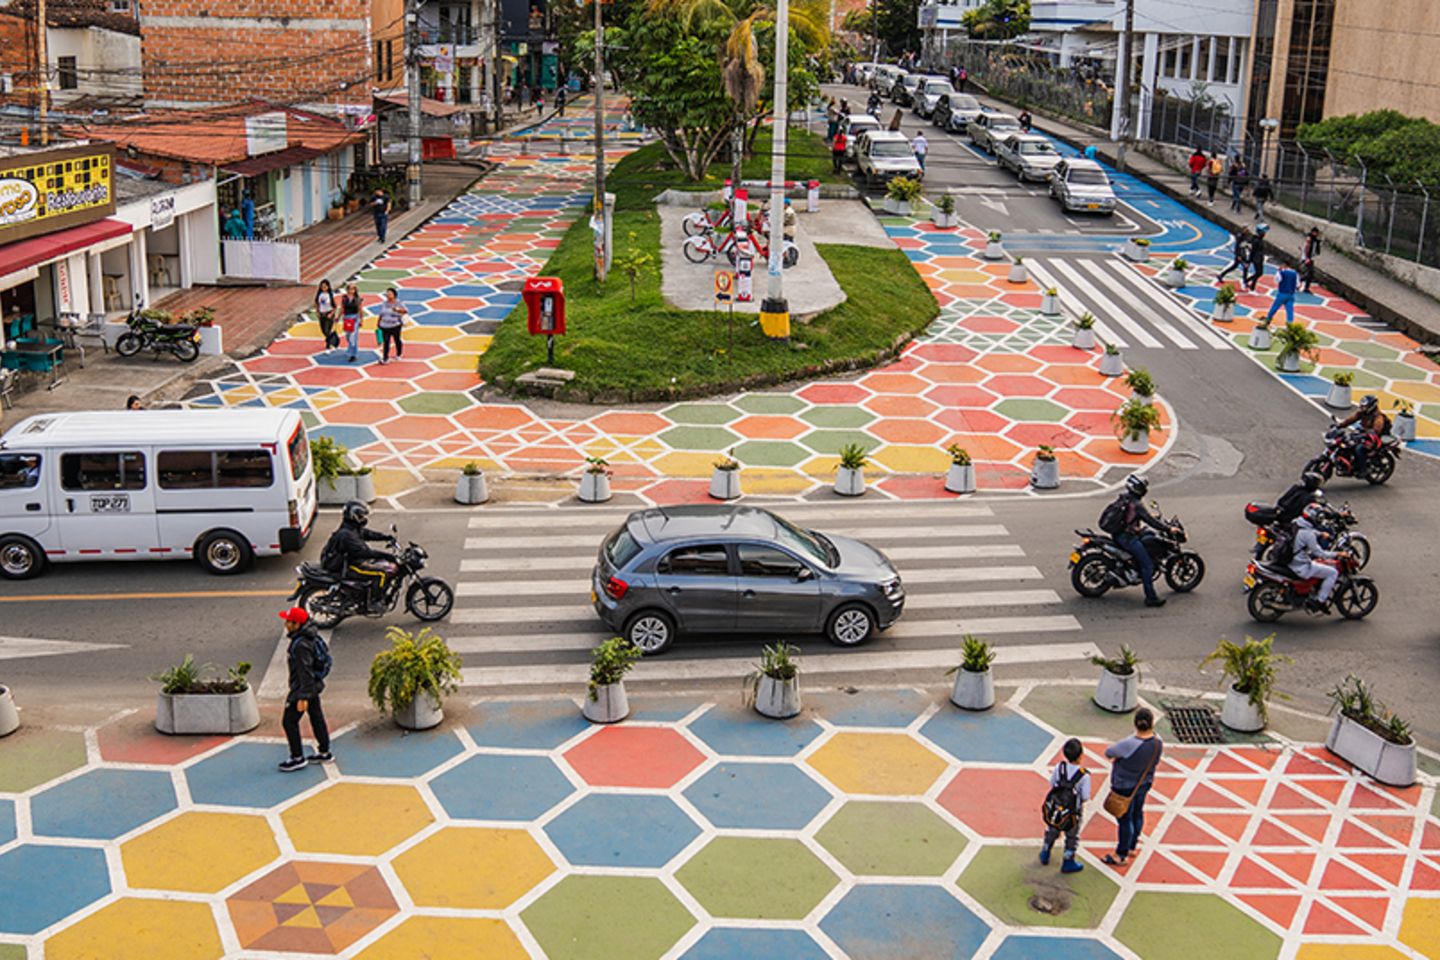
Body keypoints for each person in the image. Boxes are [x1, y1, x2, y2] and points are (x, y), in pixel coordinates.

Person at [1103, 708, 1163, 866]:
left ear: (1136, 724)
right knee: (1137, 813)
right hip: (1143, 783)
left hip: (1124, 786)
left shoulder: (1130, 744)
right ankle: (1132, 846)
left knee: (1125, 819)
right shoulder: (1158, 742)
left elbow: (1109, 752)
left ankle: (1120, 854)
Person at [1104, 473, 1174, 608]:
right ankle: (1151, 598)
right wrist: (1168, 529)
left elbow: (1139, 517)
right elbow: (1150, 521)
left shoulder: (1125, 498)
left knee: (1147, 534)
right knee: (1147, 565)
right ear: (1140, 489)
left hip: (1118, 534)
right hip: (1127, 538)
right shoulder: (1136, 504)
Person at [277, 606, 331, 772]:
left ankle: (297, 757)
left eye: (288, 621)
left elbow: (304, 672)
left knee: (289, 721)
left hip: (303, 688)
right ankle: (324, 751)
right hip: (314, 686)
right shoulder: (310, 635)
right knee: (316, 716)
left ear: (296, 624)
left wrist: (302, 697)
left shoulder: (300, 646)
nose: (286, 624)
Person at [321, 500, 394, 612]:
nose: (364, 519)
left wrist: (385, 537)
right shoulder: (347, 535)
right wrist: (387, 556)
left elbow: (367, 533)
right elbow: (365, 553)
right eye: (361, 516)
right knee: (381, 574)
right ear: (353, 516)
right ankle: (374, 602)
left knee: (380, 566)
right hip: (349, 565)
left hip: (353, 560)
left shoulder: (352, 528)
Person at [1040, 737, 1091, 874]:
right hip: (1073, 813)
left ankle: (1045, 851)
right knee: (1071, 837)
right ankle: (1068, 861)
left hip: (1056, 809)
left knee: (1052, 829)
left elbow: (1052, 784)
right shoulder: (1084, 776)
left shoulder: (1060, 767)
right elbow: (1085, 796)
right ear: (1081, 755)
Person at [1290, 503, 1341, 613]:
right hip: (1301, 567)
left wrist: (1320, 533)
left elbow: (1305, 532)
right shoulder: (1308, 535)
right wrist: (1338, 554)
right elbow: (1320, 554)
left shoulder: (1295, 523)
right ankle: (1320, 601)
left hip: (1291, 561)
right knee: (1332, 573)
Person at [1336, 394, 1390, 477]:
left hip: (1374, 438)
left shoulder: (1378, 417)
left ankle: (1363, 470)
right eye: (1362, 406)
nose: (1362, 408)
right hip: (1364, 434)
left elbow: (1377, 430)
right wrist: (1340, 425)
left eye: (1364, 406)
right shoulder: (1363, 412)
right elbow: (1351, 419)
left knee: (1359, 449)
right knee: (1347, 441)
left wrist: (1366, 433)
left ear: (1371, 406)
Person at [375, 287, 408, 364]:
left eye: (390, 293)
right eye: (387, 293)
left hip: (395, 325)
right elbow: (381, 314)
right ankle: (385, 358)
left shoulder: (398, 303)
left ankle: (399, 354)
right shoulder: (384, 303)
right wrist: (378, 323)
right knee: (386, 341)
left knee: (397, 340)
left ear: (394, 295)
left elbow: (405, 310)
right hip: (384, 326)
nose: (388, 295)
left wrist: (397, 310)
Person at [339, 283, 363, 362]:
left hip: (354, 318)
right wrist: (338, 317)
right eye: (349, 289)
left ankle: (353, 354)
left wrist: (361, 319)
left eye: (353, 289)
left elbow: (360, 310)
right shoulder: (344, 298)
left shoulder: (357, 299)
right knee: (348, 336)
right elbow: (342, 308)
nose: (351, 291)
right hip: (346, 318)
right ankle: (351, 349)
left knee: (353, 337)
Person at [314, 279, 339, 350]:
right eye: (322, 287)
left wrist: (331, 313)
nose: (323, 288)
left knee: (327, 330)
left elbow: (335, 306)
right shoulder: (319, 295)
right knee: (323, 330)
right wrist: (317, 312)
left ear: (328, 287)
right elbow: (317, 304)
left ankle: (329, 344)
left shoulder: (330, 295)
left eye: (325, 286)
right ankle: (331, 340)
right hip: (322, 314)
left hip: (329, 314)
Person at [1245, 223, 1268, 291]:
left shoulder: (1259, 239)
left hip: (1259, 258)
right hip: (1256, 259)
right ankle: (1251, 285)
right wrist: (1248, 261)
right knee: (1259, 273)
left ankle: (1248, 282)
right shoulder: (1256, 241)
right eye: (1264, 232)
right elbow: (1252, 251)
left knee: (1259, 273)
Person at [1301, 227, 1322, 293]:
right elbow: (1307, 248)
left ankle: (1304, 284)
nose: (1317, 234)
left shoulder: (1314, 240)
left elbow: (1316, 251)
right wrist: (1307, 258)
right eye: (1316, 233)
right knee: (1310, 273)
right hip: (1307, 258)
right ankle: (1301, 282)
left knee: (1310, 273)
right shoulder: (1309, 239)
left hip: (1310, 258)